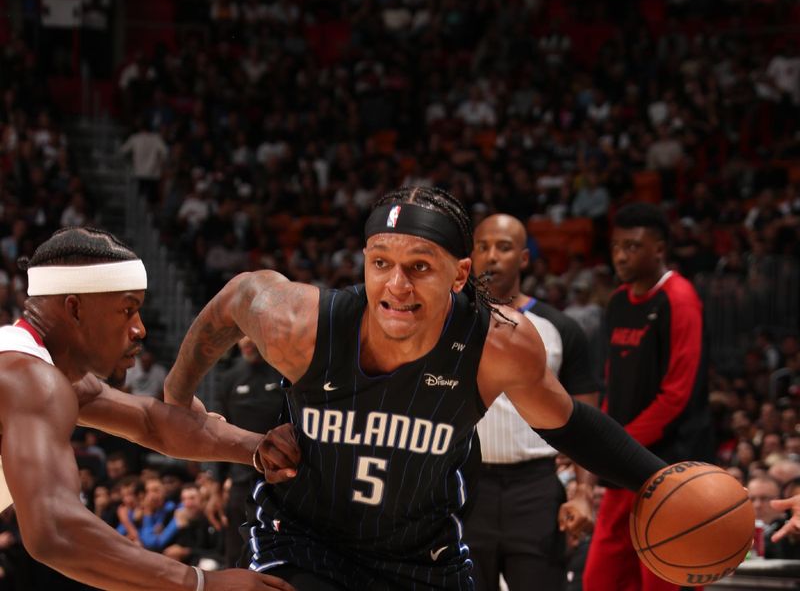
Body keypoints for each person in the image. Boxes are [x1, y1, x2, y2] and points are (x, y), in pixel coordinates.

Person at [164, 186, 669, 591]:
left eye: (419, 267)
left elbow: (572, 425)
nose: (396, 285)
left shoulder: (497, 341)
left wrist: (661, 481)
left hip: (421, 556)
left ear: (460, 273)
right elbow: (237, 297)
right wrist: (178, 392)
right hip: (305, 540)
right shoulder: (303, 324)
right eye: (380, 262)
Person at [0, 226, 295, 590]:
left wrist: (258, 449)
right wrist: (203, 583)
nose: (140, 329)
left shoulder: (43, 371)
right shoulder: (29, 378)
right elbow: (54, 531)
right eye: (127, 310)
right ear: (75, 308)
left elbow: (150, 422)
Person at [583, 203, 713, 591]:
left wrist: (614, 444)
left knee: (662, 583)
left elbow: (676, 397)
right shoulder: (619, 302)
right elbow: (612, 385)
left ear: (658, 249)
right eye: (617, 245)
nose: (621, 255)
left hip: (672, 466)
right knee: (599, 580)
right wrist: (599, 443)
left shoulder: (680, 298)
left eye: (633, 246)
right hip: (624, 464)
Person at [464, 213, 598, 591]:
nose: (492, 257)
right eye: (483, 247)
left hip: (537, 488)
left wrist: (584, 494)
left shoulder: (560, 327)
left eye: (504, 248)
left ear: (523, 258)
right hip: (468, 485)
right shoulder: (451, 323)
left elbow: (587, 421)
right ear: (470, 256)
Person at [213, 335, 286, 567]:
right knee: (235, 553)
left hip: (281, 482)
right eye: (240, 334)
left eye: (251, 333)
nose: (246, 341)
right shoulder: (228, 378)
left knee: (278, 553)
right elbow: (218, 433)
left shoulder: (285, 372)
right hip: (240, 482)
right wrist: (216, 486)